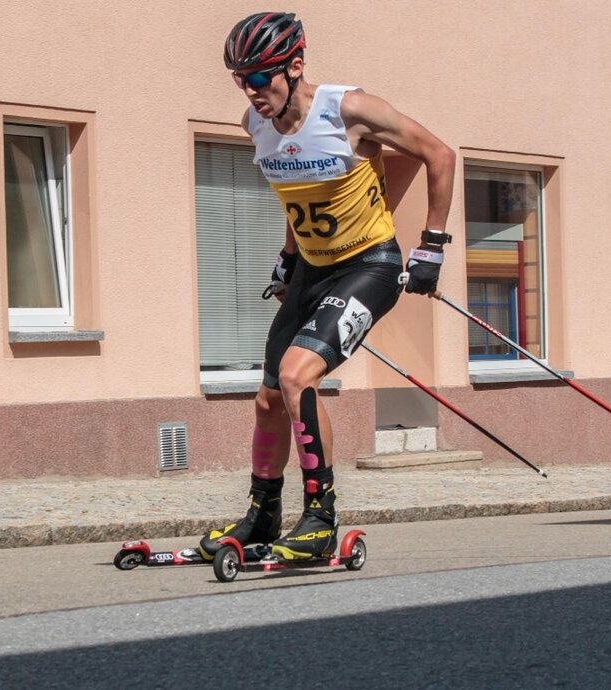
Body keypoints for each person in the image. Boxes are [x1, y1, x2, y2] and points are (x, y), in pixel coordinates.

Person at [199, 11, 456, 561]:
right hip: (314, 268)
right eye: (240, 79)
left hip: (369, 266)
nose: (250, 90)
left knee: (297, 375)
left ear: (294, 67)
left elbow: (440, 154)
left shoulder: (349, 110)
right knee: (268, 398)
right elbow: (301, 199)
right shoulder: (256, 124)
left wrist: (431, 245)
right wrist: (287, 260)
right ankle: (263, 514)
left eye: (260, 77)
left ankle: (320, 517)